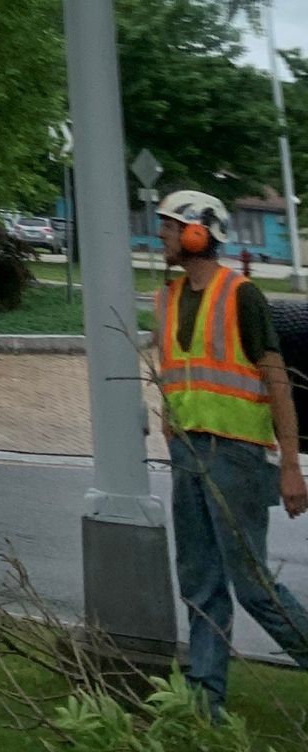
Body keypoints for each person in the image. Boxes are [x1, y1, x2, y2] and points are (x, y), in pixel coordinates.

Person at [155, 187, 308, 716]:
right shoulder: (166, 297)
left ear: (199, 232)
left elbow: (277, 382)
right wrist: (169, 424)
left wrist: (290, 466)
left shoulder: (241, 295)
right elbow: (172, 375)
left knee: (253, 587)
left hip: (236, 455)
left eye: (172, 226)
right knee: (200, 582)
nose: (164, 235)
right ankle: (205, 700)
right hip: (187, 455)